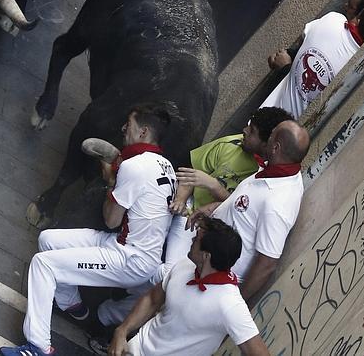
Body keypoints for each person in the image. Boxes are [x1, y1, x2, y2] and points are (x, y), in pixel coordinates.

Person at [93, 107, 293, 338]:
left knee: (166, 277)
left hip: (214, 246)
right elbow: (190, 174)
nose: (244, 130)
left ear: (269, 145)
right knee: (159, 270)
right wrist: (180, 198)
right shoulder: (233, 145)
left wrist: (214, 187)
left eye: (253, 130)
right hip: (189, 218)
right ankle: (120, 292)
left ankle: (110, 314)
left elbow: (243, 218)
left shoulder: (268, 181)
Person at [0, 103, 177, 356]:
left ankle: (38, 347)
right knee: (48, 239)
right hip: (130, 248)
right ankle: (73, 305)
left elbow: (111, 220)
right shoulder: (166, 167)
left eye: (130, 124)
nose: (124, 128)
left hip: (130, 260)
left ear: (143, 131)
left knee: (43, 264)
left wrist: (110, 182)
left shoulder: (135, 166)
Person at [187, 119, 311, 303]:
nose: (266, 139)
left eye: (271, 136)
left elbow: (267, 264)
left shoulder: (278, 204)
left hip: (213, 280)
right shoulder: (275, 169)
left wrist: (235, 304)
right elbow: (243, 205)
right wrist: (213, 209)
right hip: (202, 255)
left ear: (275, 148)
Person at [108, 216, 269, 356]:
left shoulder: (230, 304)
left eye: (196, 240)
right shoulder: (185, 265)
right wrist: (122, 331)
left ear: (206, 256)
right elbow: (152, 299)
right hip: (134, 348)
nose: (191, 240)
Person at [261, 0, 364, 118]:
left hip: (265, 118)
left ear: (358, 18)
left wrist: (286, 67)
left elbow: (302, 43)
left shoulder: (333, 20)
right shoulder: (361, 68)